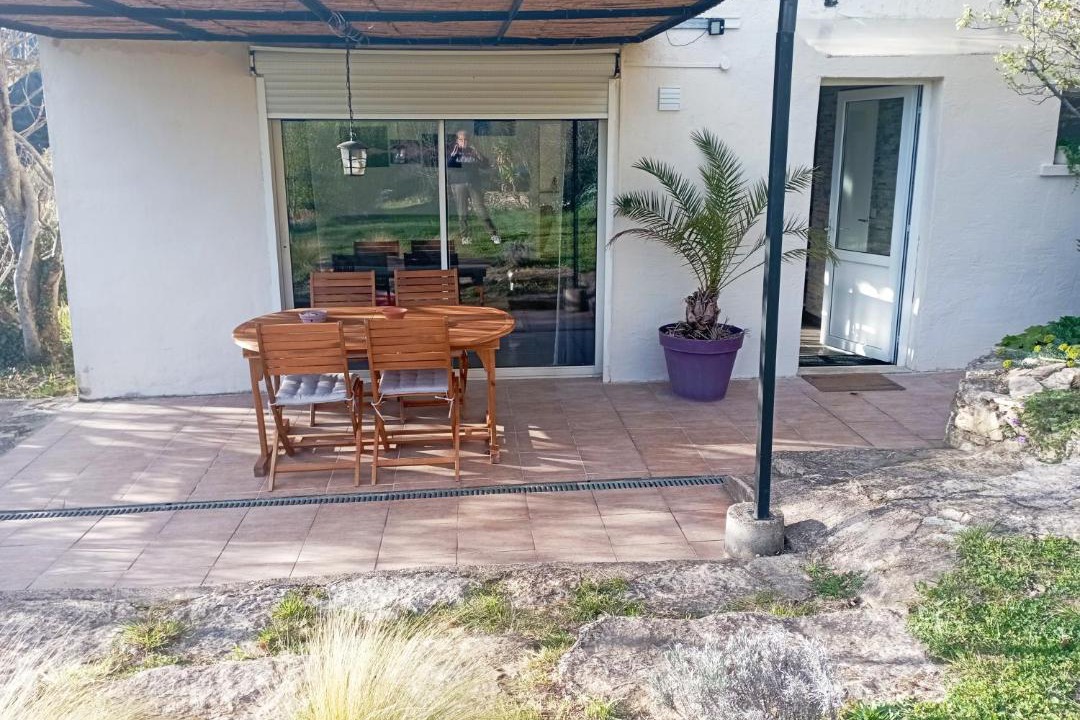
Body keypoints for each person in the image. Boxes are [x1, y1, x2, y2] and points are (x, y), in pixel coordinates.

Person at [447, 129, 501, 245]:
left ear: (469, 140)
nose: (464, 142)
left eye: (466, 139)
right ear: (457, 141)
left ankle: (493, 234)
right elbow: (448, 166)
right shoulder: (453, 151)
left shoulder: (473, 151)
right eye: (461, 139)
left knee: (481, 209)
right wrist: (454, 156)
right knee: (462, 212)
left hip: (474, 184)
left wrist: (478, 154)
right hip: (458, 184)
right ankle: (465, 236)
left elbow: (485, 165)